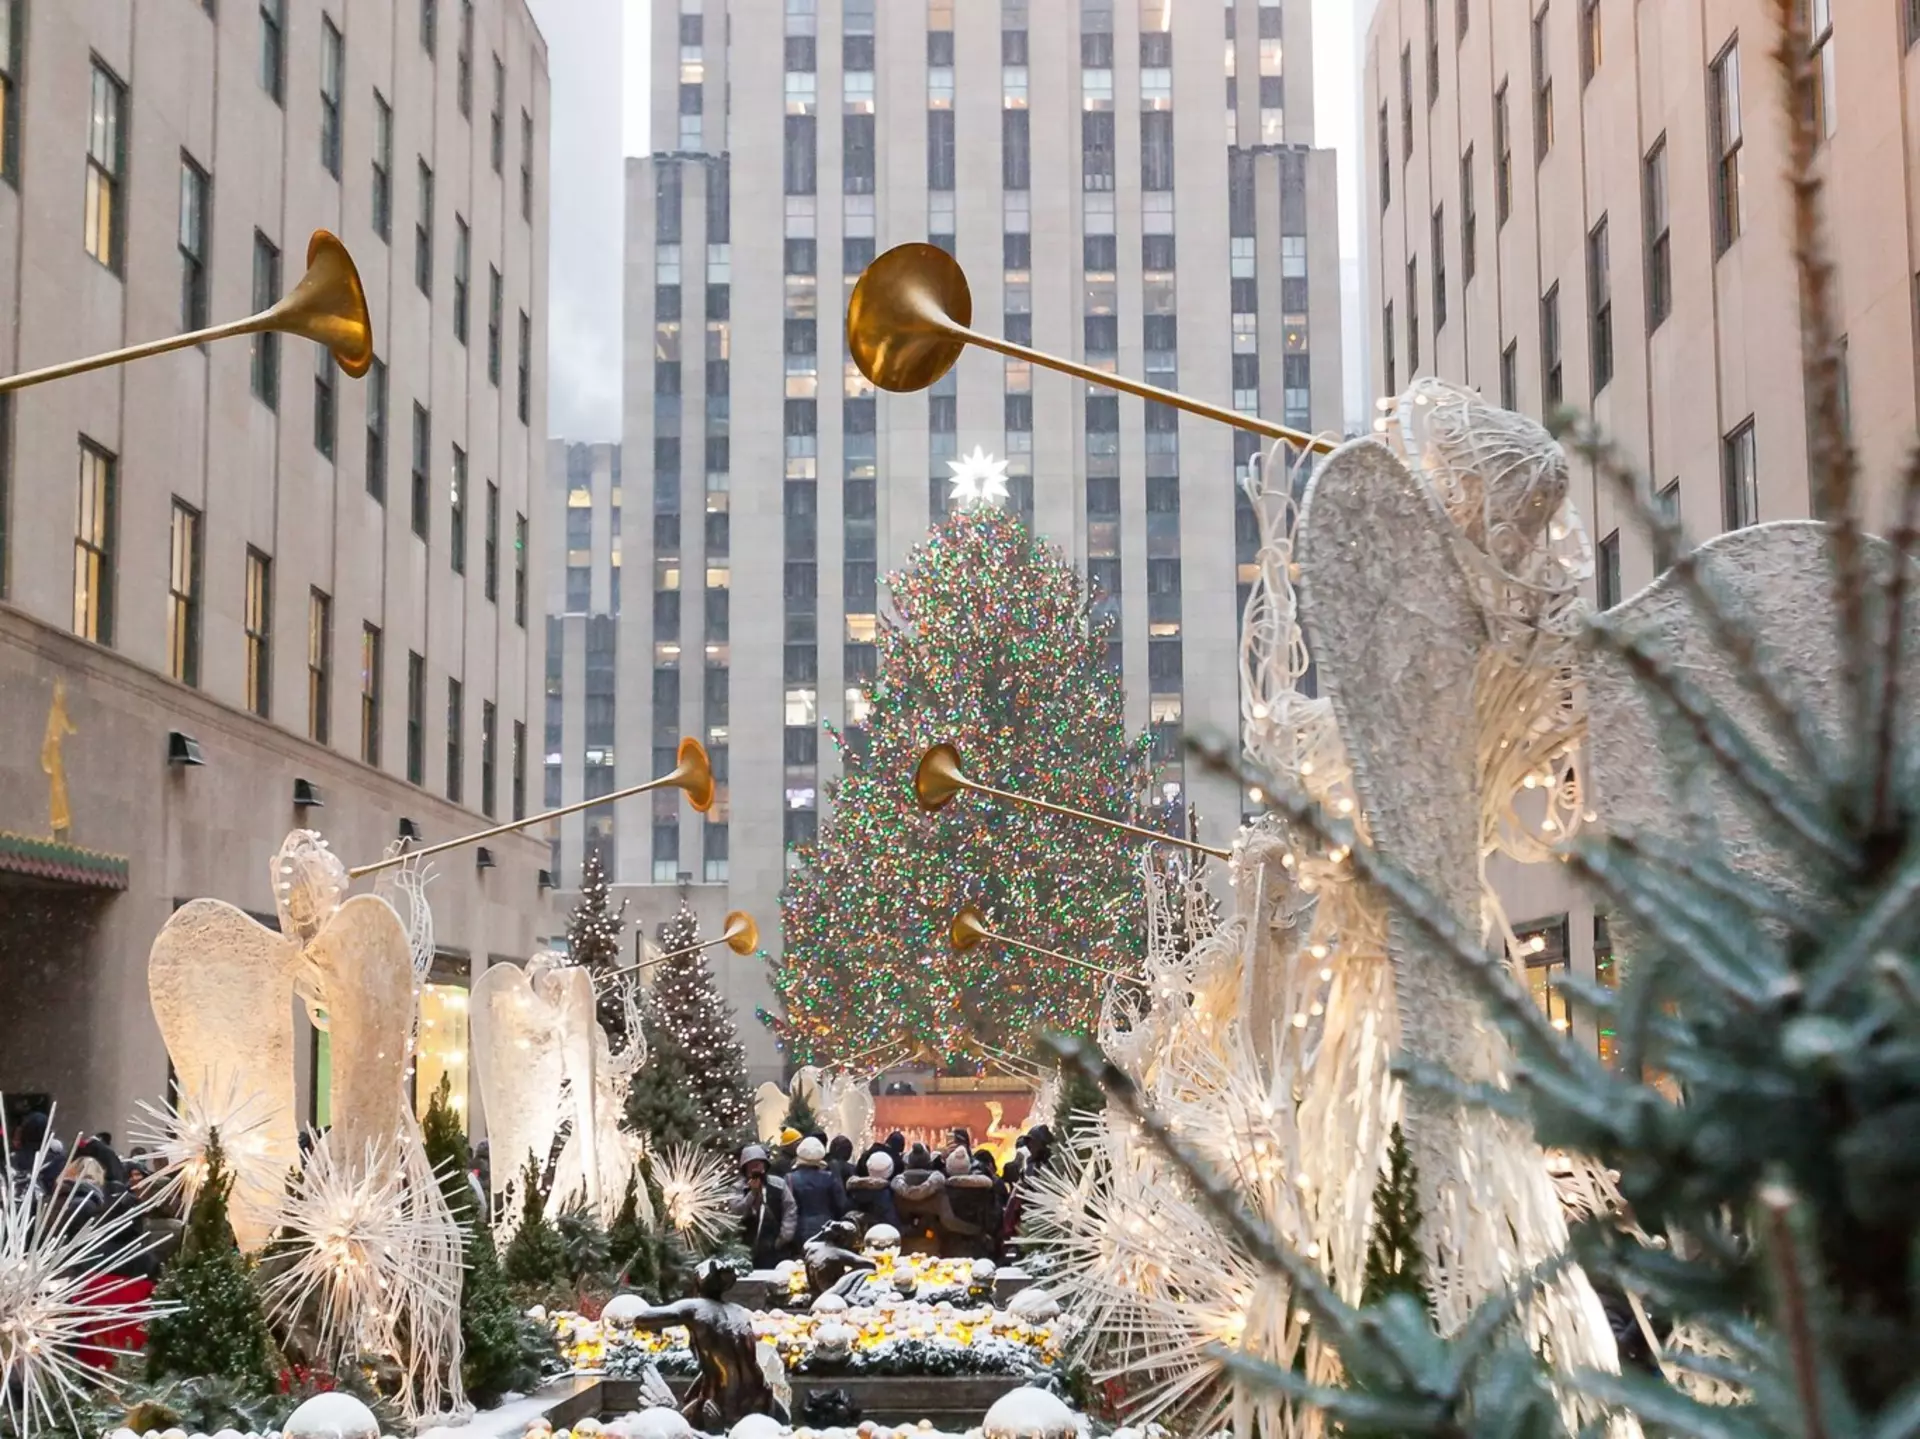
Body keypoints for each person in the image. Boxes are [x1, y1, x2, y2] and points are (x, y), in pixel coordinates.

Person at [732, 1144, 797, 1268]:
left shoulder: (778, 1184)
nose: (756, 1168)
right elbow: (737, 1211)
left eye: (759, 1164)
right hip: (748, 1245)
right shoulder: (738, 1188)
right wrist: (752, 1194)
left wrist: (784, 1236)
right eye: (752, 1165)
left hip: (775, 1245)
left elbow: (790, 1209)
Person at [786, 1136, 851, 1245]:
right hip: (827, 1227)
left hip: (799, 1230)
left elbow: (786, 1208)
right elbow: (841, 1204)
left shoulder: (790, 1179)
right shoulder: (830, 1177)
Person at [845, 1148, 900, 1232]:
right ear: (890, 1171)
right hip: (880, 1233)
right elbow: (892, 1224)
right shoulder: (885, 1194)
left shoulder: (852, 1188)